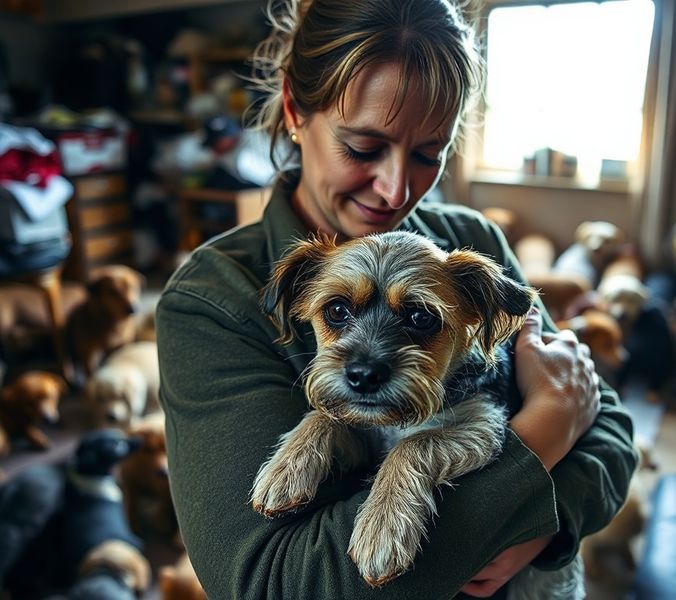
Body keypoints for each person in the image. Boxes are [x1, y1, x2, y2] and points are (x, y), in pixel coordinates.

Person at [155, 0, 638, 598]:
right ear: (294, 109)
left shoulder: (472, 242)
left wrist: (548, 528)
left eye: (428, 153)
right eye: (362, 147)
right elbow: (273, 584)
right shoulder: (212, 299)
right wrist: (544, 435)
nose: (396, 190)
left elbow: (612, 430)